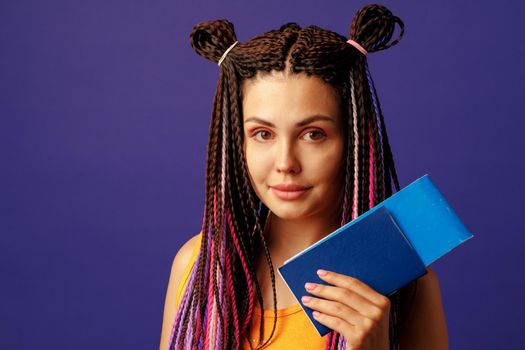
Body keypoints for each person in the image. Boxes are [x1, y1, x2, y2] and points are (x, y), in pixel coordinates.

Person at [160, 4, 448, 349]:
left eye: (313, 134)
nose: (286, 163)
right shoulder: (197, 265)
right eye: (263, 134)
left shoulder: (409, 282)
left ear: (352, 140)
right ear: (240, 144)